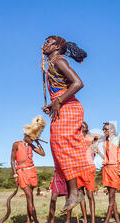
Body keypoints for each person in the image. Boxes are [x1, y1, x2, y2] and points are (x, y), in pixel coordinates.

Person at [41, 35, 96, 213]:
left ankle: (74, 192)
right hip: (64, 106)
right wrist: (54, 103)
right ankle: (74, 191)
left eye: (48, 42)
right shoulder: (52, 63)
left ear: (56, 46)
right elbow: (62, 90)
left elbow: (78, 83)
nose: (44, 44)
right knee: (58, 147)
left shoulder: (58, 61)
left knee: (63, 146)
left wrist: (59, 101)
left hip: (69, 108)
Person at [65, 121, 101, 223]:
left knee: (90, 195)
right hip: (78, 169)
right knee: (80, 196)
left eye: (83, 126)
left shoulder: (90, 138)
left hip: (89, 168)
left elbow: (99, 137)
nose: (81, 128)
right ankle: (85, 221)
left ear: (87, 128)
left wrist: (92, 139)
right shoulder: (76, 140)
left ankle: (93, 222)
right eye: (79, 126)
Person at [11, 125, 46, 223]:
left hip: (32, 172)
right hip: (22, 173)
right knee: (29, 197)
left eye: (33, 139)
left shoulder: (31, 145)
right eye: (30, 138)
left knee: (29, 198)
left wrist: (38, 143)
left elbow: (43, 154)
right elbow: (12, 161)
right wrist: (15, 175)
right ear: (26, 136)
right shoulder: (16, 144)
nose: (31, 140)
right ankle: (36, 222)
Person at [95, 122, 120, 223]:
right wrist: (98, 152)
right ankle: (118, 222)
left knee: (111, 197)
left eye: (106, 129)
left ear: (112, 130)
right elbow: (106, 158)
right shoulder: (106, 141)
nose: (104, 131)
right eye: (103, 129)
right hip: (106, 169)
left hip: (115, 170)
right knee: (111, 197)